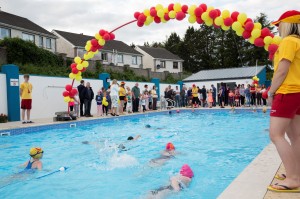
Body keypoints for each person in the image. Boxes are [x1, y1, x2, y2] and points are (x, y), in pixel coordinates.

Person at [267, 11, 300, 193]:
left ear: (288, 25)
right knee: (296, 136)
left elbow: (282, 70)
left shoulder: (288, 42)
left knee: (276, 135)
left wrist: (271, 92)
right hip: (299, 93)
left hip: (287, 92)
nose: (277, 28)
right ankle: (296, 174)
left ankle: (293, 178)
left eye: (279, 25)